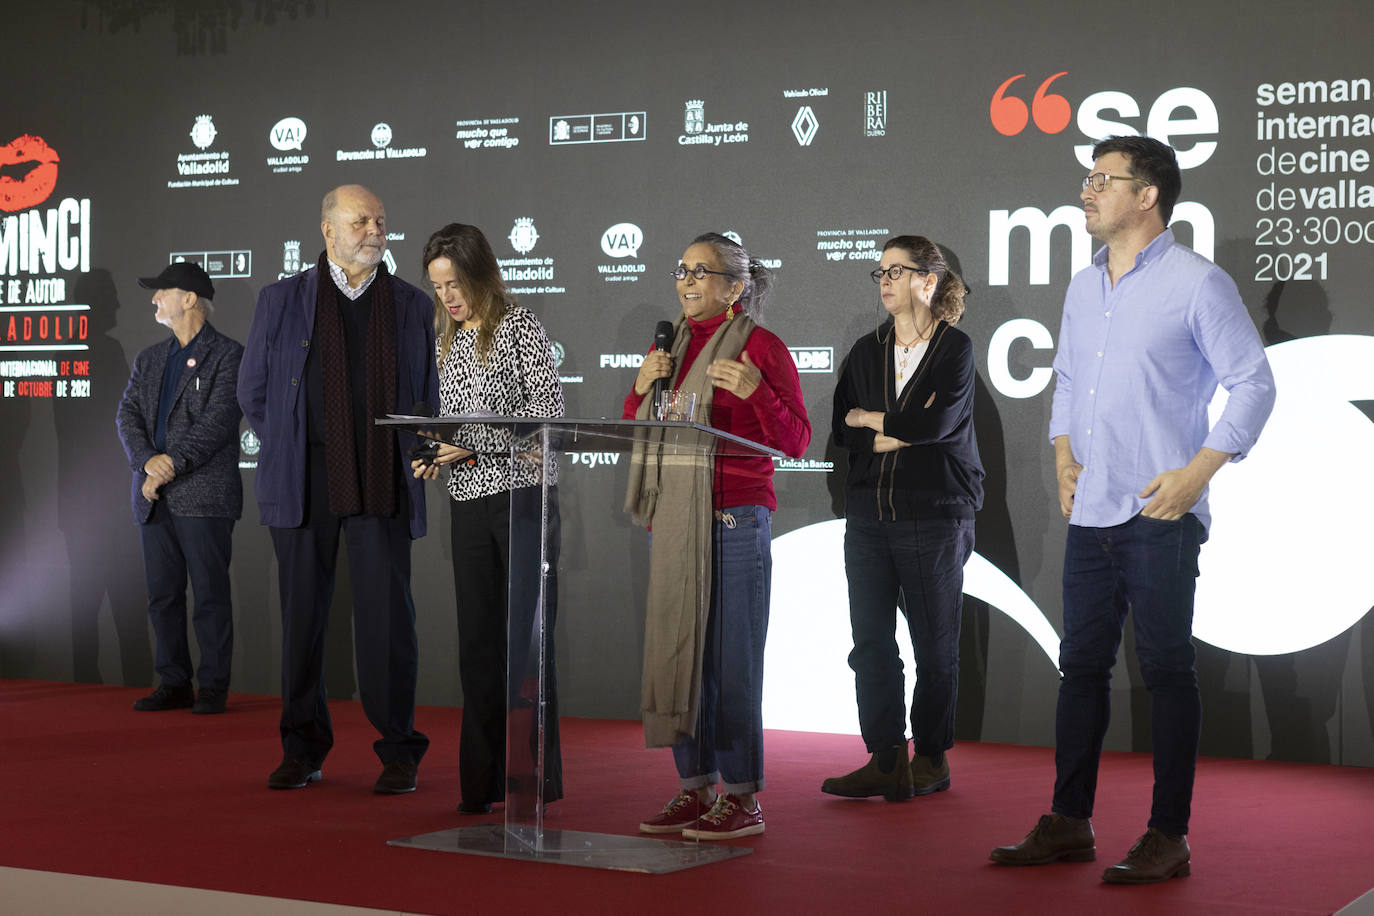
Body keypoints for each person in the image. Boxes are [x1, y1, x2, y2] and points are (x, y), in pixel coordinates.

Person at [989, 136, 1275, 883]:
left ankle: (1168, 835)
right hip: (1091, 512)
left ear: (1146, 196)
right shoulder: (1084, 287)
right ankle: (1068, 819)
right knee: (1079, 667)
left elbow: (1253, 383)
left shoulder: (1197, 283)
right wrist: (1060, 456)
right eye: (1087, 180)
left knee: (1166, 670)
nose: (1086, 192)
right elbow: (1066, 379)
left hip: (1158, 513)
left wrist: (1199, 474)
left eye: (1101, 181)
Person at [238, 184, 438, 794]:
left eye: (380, 220)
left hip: (383, 476)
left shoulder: (409, 303)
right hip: (305, 480)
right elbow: (254, 392)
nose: (374, 230)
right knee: (303, 619)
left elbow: (428, 392)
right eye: (360, 221)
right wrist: (294, 443)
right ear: (327, 231)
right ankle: (303, 749)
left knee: (387, 621)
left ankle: (398, 751)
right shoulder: (281, 299)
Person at [625, 232, 811, 840]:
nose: (686, 282)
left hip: (734, 521)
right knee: (682, 659)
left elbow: (796, 442)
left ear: (735, 286)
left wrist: (756, 394)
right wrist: (638, 389)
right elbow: (639, 430)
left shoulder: (761, 347)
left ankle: (741, 798)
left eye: (701, 272)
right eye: (681, 270)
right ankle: (693, 787)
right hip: (675, 523)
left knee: (732, 666)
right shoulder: (670, 348)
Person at [411, 223, 566, 815]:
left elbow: (544, 424)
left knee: (527, 644)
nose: (447, 296)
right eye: (437, 286)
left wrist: (471, 442)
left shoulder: (521, 328)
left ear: (479, 273)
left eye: (454, 283)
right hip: (470, 501)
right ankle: (479, 783)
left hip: (523, 499)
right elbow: (448, 425)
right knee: (477, 644)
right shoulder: (442, 338)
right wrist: (433, 449)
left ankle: (534, 780)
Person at [823, 236, 982, 802]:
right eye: (881, 271)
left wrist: (878, 420)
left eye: (898, 270)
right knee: (869, 642)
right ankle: (885, 756)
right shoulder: (866, 350)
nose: (885, 279)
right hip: (868, 515)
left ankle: (931, 757)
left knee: (934, 645)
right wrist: (881, 427)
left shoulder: (954, 348)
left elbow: (937, 425)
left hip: (933, 514)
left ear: (929, 281)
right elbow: (843, 429)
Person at [116, 261, 243, 715]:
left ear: (188, 300)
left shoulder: (230, 356)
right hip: (154, 497)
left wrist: (165, 465)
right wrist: (146, 462)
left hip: (204, 495)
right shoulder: (150, 359)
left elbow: (218, 422)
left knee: (209, 594)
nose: (154, 299)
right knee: (163, 595)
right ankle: (173, 681)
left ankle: (212, 686)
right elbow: (127, 415)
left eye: (161, 292)